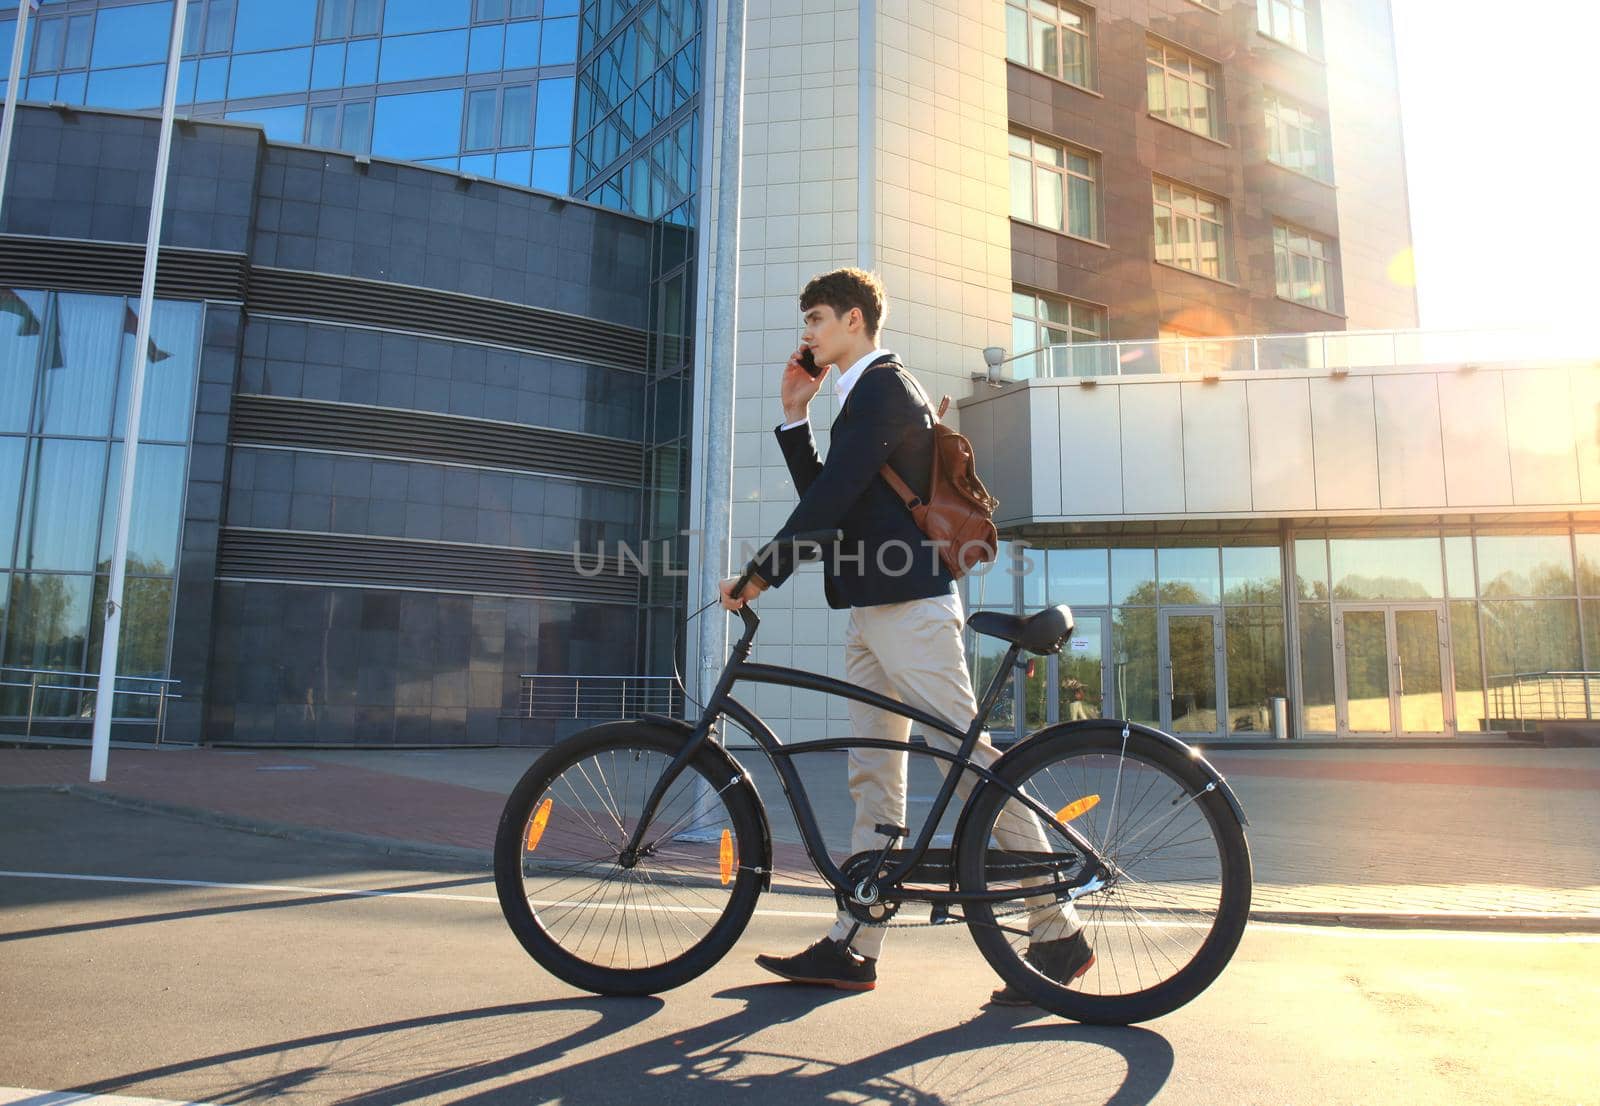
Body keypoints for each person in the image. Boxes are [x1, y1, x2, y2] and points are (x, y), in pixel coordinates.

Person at [718, 267, 1092, 1004]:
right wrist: (795, 418)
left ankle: (1057, 930)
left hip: (912, 609)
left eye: (819, 319)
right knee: (873, 773)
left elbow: (828, 501)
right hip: (874, 607)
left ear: (855, 321)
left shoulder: (885, 389)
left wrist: (761, 575)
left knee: (967, 757)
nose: (809, 334)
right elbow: (837, 503)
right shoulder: (857, 400)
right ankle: (855, 945)